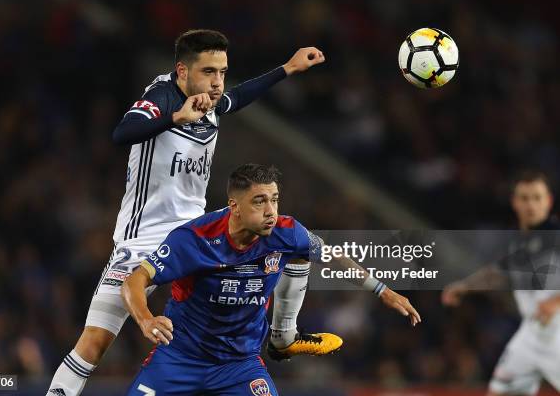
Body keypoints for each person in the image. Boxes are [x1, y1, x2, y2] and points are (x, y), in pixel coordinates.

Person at [47, 29, 338, 396]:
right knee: (94, 343)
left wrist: (288, 68)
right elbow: (123, 133)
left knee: (291, 240)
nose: (217, 83)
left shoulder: (212, 100)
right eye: (208, 72)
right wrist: (174, 118)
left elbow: (238, 97)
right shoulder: (162, 95)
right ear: (182, 71)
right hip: (145, 239)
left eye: (222, 71)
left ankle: (283, 336)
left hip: (196, 233)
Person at [122, 163, 421, 395]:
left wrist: (383, 290)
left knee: (304, 251)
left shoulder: (285, 232)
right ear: (234, 207)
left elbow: (330, 255)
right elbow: (135, 280)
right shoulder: (194, 239)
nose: (271, 212)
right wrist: (146, 318)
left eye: (275, 200)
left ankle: (284, 336)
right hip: (180, 359)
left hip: (239, 364)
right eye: (260, 202)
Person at [442, 170, 560, 395]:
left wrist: (556, 301)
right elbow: (497, 273)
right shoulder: (517, 241)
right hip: (531, 334)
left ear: (549, 201)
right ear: (514, 202)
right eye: (525, 198)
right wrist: (464, 286)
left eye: (537, 197)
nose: (531, 205)